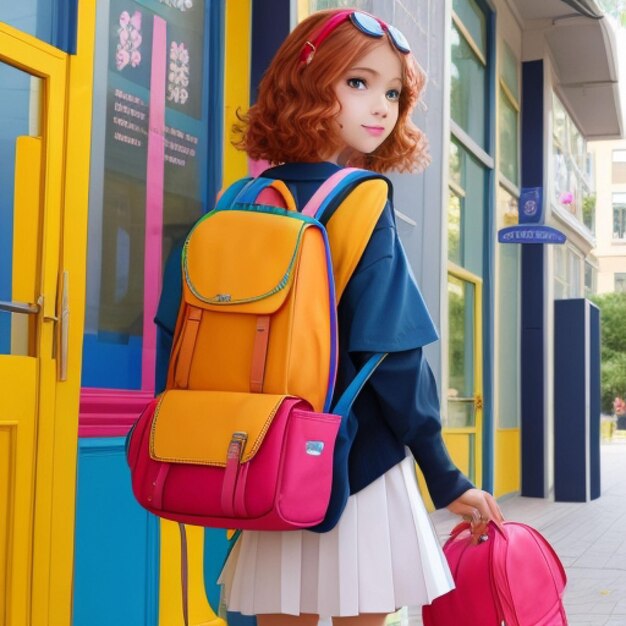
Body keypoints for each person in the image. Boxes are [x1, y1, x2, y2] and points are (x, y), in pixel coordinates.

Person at [159, 8, 503, 626]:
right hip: (353, 460)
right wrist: (447, 479)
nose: (381, 107)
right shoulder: (364, 199)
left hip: (261, 451)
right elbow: (396, 360)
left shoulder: (234, 201)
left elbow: (173, 328)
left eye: (394, 92)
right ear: (308, 82)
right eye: (358, 82)